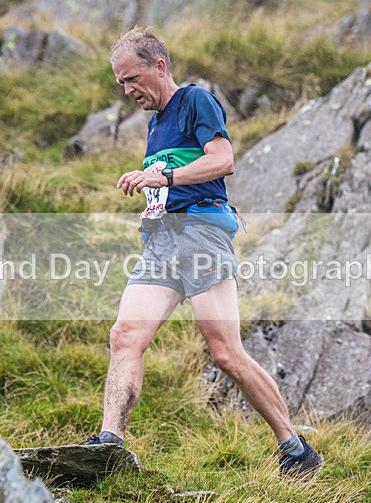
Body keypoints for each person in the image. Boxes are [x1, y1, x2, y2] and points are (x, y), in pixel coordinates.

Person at [83, 27, 322, 480]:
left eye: (132, 79)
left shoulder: (196, 101)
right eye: (121, 84)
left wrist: (164, 180)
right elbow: (173, 172)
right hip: (162, 241)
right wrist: (149, 184)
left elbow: (222, 160)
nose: (128, 90)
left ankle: (294, 448)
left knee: (226, 354)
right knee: (125, 336)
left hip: (201, 236)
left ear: (159, 66)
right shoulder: (154, 124)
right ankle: (109, 445)